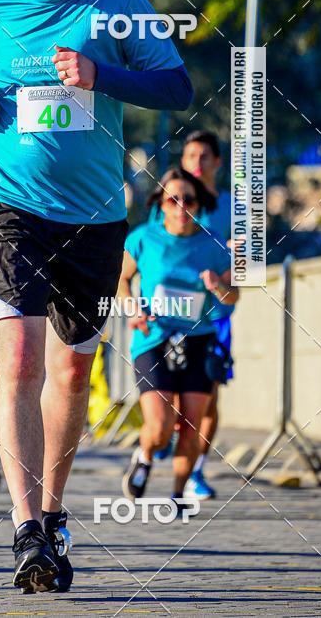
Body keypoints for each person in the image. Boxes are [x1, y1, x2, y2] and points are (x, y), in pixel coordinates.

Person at [0, 0, 193, 592]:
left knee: (73, 371)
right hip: (6, 206)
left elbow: (177, 87)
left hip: (91, 218)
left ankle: (52, 514)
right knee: (18, 353)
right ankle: (25, 530)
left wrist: (101, 73)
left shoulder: (117, 1)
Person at [118, 167, 238, 512]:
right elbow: (120, 281)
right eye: (173, 198)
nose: (181, 204)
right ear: (162, 203)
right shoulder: (143, 238)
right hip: (152, 338)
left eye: (188, 198)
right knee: (160, 426)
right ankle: (144, 455)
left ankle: (178, 493)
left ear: (198, 204)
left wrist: (218, 286)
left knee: (190, 427)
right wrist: (133, 310)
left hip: (198, 339)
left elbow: (233, 298)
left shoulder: (213, 243)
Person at [181, 130, 235, 499]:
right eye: (191, 157)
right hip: (173, 314)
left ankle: (195, 471)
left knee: (210, 394)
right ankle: (173, 450)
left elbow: (251, 267)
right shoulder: (173, 201)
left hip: (215, 315)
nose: (197, 164)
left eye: (204, 157)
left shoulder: (234, 207)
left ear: (217, 163)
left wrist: (236, 256)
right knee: (174, 401)